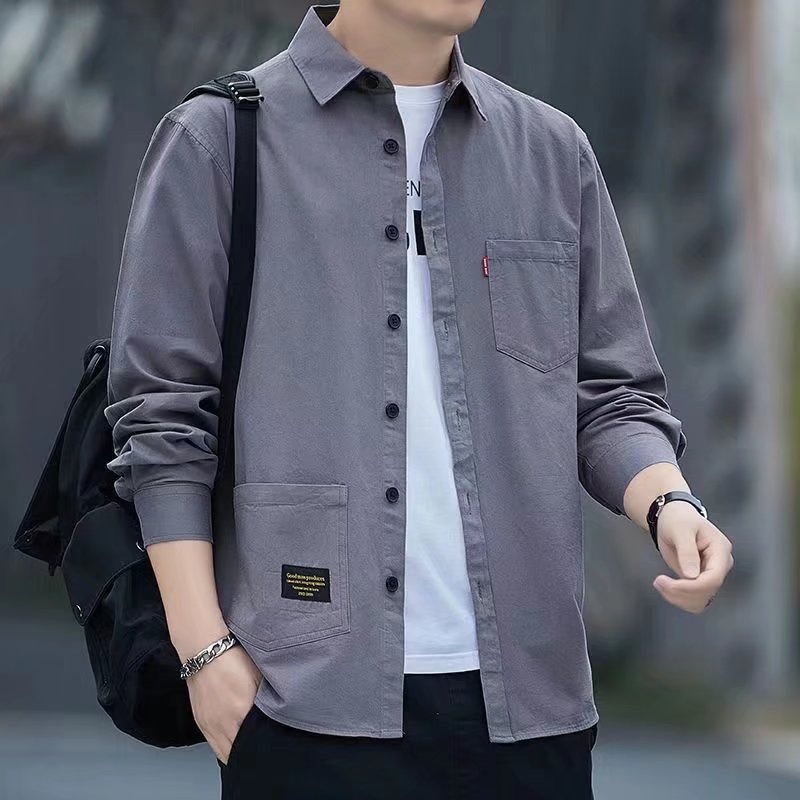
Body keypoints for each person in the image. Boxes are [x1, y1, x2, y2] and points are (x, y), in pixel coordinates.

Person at [104, 2, 734, 797]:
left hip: (531, 710)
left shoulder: (551, 151)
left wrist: (669, 502)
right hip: (306, 702)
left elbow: (610, 394)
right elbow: (163, 414)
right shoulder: (217, 140)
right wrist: (204, 654)